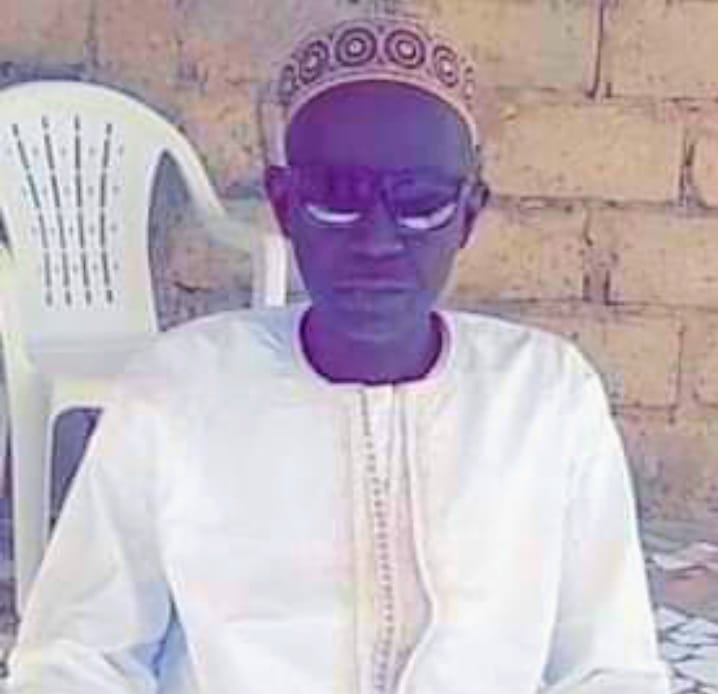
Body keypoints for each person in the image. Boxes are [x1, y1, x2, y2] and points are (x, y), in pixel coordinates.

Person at [7, 10, 670, 694]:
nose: (377, 240)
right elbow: (75, 655)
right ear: (284, 205)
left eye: (420, 201)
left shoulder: (544, 398)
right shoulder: (180, 391)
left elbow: (610, 667)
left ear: (469, 215)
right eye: (335, 195)